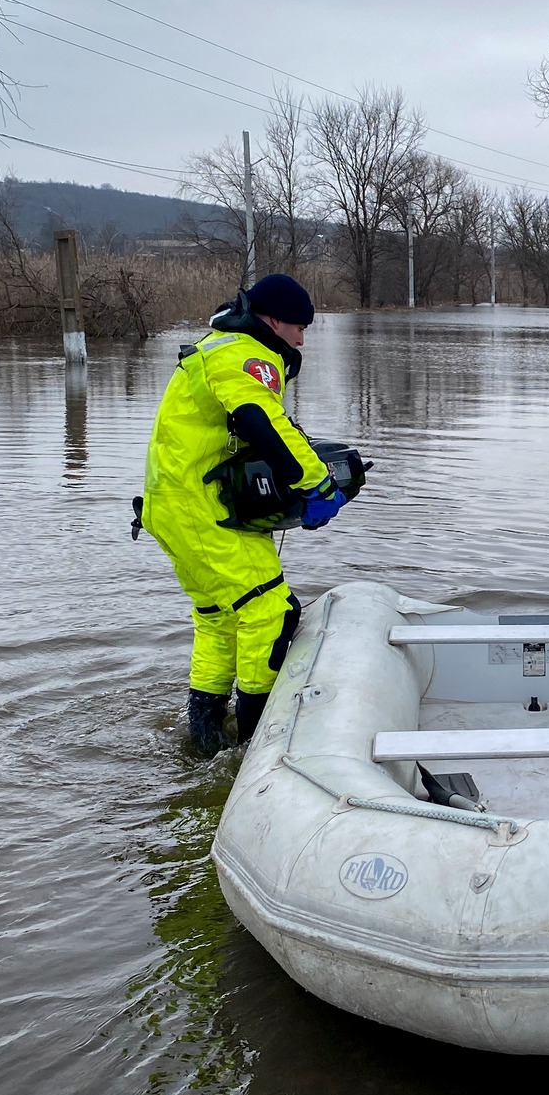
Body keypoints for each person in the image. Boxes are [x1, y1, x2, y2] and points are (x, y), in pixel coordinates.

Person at [140, 273, 347, 755]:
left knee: (218, 618)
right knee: (270, 611)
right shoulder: (245, 355)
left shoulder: (217, 347)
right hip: (204, 511)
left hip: (170, 507)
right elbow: (263, 421)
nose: (301, 340)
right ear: (272, 321)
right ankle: (256, 746)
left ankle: (206, 740)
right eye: (299, 328)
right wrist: (317, 484)